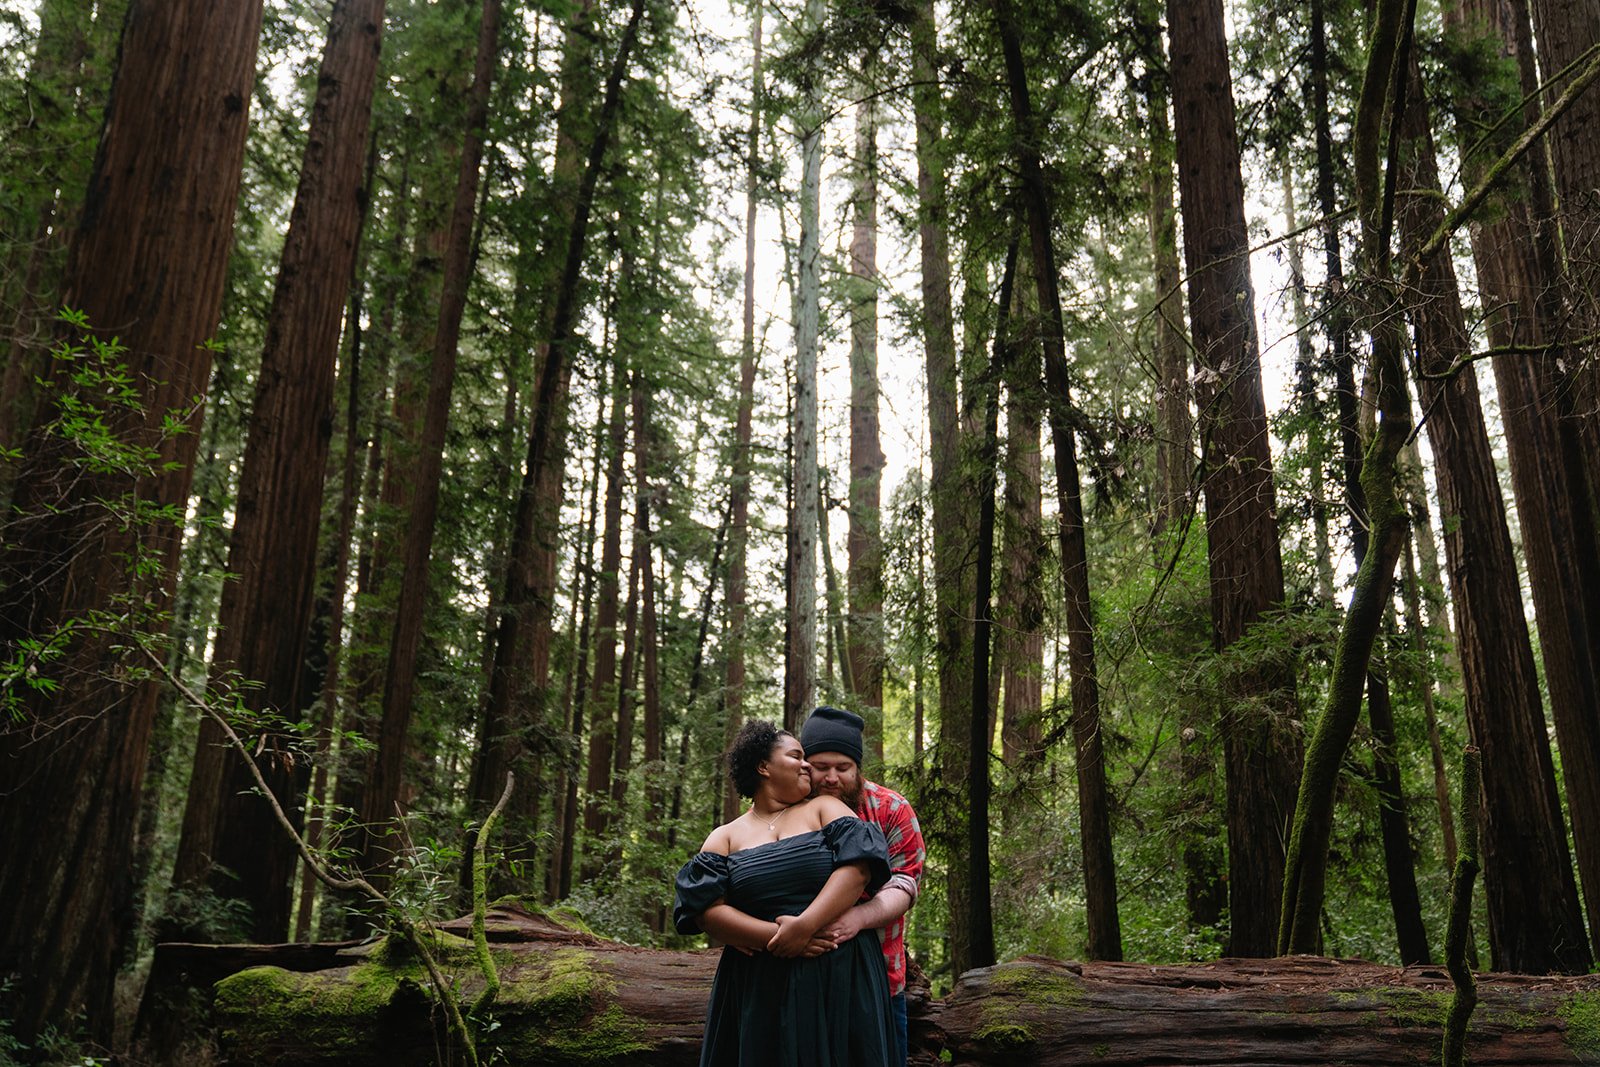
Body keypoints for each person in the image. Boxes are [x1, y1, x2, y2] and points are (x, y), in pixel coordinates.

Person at [674, 719, 897, 1067]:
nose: (807, 764)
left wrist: (805, 926)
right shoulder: (724, 837)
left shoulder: (825, 809)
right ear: (764, 766)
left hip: (839, 974)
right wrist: (777, 937)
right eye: (796, 756)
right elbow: (706, 910)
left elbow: (858, 871)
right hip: (759, 983)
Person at [800, 705, 925, 1067]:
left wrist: (858, 917)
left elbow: (905, 883)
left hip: (882, 982)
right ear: (806, 764)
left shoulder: (890, 809)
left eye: (843, 768)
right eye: (821, 767)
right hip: (805, 983)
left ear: (858, 767)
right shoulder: (787, 810)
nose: (832, 778)